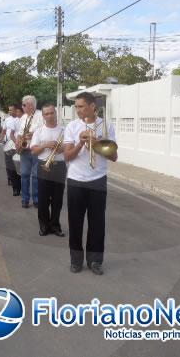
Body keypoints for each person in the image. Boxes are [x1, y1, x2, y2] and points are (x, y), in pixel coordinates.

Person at [63, 92, 117, 276]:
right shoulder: (71, 126)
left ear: (93, 106)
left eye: (81, 106)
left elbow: (114, 157)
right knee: (75, 222)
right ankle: (76, 261)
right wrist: (80, 143)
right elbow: (67, 156)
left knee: (97, 223)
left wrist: (98, 143)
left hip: (98, 180)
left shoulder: (107, 125)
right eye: (76, 107)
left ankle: (95, 261)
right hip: (76, 180)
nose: (77, 110)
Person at [30, 103, 66, 237]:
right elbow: (33, 150)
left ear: (55, 113)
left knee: (58, 199)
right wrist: (45, 145)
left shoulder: (64, 129)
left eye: (51, 113)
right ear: (43, 116)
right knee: (43, 199)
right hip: (43, 165)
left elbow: (69, 148)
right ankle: (44, 225)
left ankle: (55, 226)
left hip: (59, 166)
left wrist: (59, 147)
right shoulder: (39, 131)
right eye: (46, 114)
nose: (49, 116)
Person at [14, 95, 43, 208]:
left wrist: (34, 133)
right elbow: (19, 132)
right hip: (25, 150)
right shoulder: (23, 117)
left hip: (36, 149)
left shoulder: (40, 115)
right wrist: (18, 141)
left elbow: (44, 130)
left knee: (36, 176)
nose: (22, 107)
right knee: (24, 175)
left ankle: (36, 199)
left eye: (24, 105)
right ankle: (25, 199)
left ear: (31, 105)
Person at [0, 104, 21, 195]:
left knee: (18, 169)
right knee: (10, 167)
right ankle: (14, 188)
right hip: (8, 146)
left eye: (11, 110)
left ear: (16, 110)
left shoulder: (21, 120)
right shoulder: (7, 119)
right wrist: (1, 138)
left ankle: (19, 186)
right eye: (9, 110)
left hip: (18, 146)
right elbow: (4, 131)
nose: (9, 112)